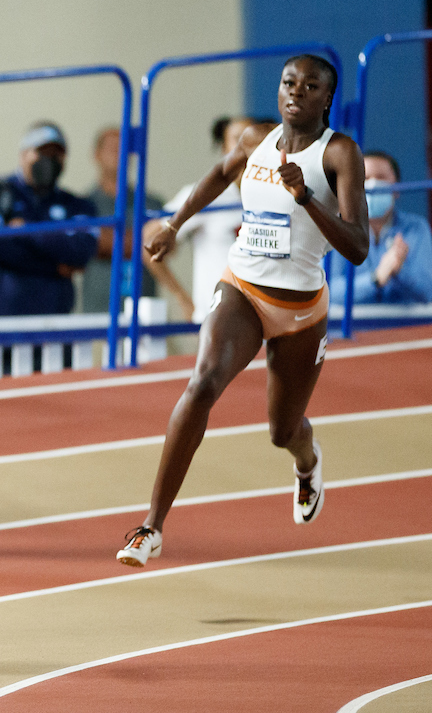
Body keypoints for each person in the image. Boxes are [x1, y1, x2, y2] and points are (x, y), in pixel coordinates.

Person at [117, 55, 369, 568]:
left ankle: (307, 461)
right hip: (243, 290)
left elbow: (359, 246)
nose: (296, 92)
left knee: (282, 429)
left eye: (310, 85)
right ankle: (151, 526)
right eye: (288, 83)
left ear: (327, 98)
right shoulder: (256, 139)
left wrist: (306, 199)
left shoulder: (339, 154)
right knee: (203, 381)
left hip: (300, 310)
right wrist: (173, 222)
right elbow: (217, 174)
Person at [0, 122, 97, 315]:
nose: (49, 160)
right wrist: (54, 267)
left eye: (56, 154)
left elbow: (81, 251)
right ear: (23, 154)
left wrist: (25, 231)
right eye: (41, 152)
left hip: (55, 328)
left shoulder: (77, 204)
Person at [145, 116, 253, 322]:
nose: (246, 147)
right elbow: (149, 240)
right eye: (237, 138)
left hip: (261, 317)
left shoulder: (271, 194)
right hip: (216, 318)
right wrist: (182, 298)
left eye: (253, 139)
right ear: (223, 148)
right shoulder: (207, 194)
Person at [330, 151, 432, 304]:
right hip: (352, 326)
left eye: (381, 178)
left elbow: (428, 292)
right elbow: (328, 291)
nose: (373, 185)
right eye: (365, 178)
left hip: (405, 326)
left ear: (397, 188)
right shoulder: (336, 229)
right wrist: (376, 278)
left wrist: (398, 271)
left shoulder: (417, 228)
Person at [80, 126, 162, 313]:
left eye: (124, 147)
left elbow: (164, 246)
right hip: (98, 317)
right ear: (96, 155)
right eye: (112, 148)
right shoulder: (84, 205)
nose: (118, 153)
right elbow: (91, 244)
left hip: (146, 315)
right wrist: (143, 241)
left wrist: (109, 239)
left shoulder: (152, 203)